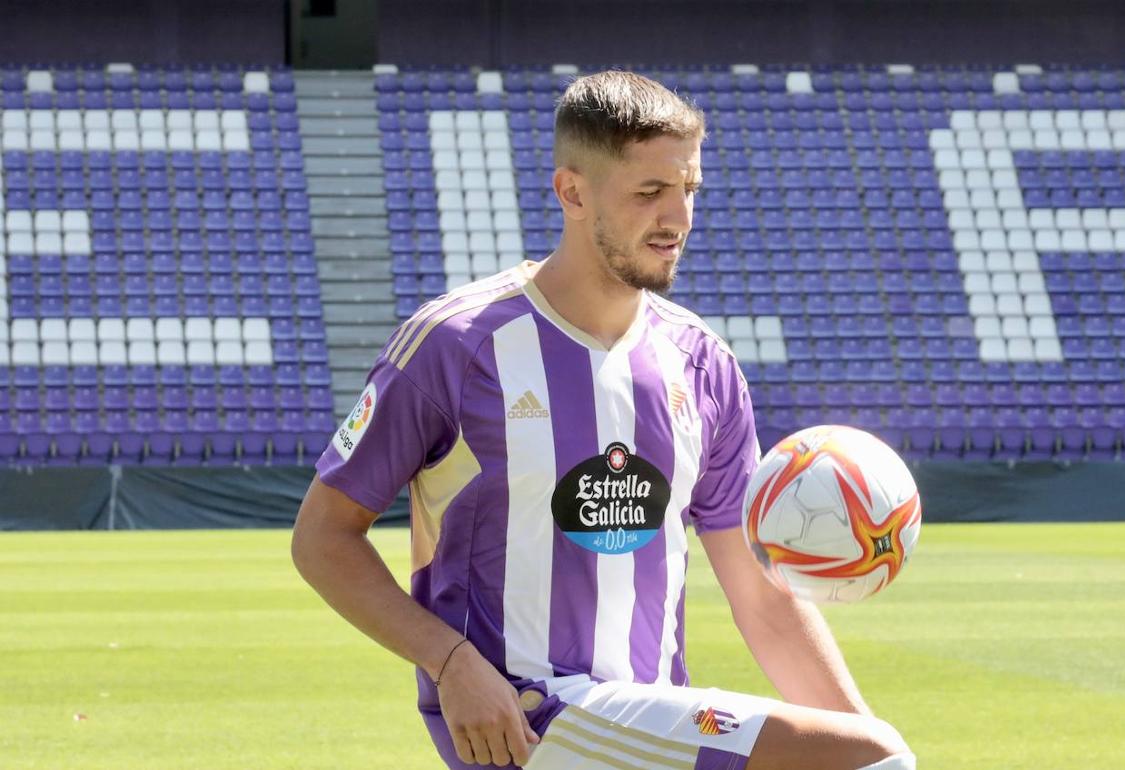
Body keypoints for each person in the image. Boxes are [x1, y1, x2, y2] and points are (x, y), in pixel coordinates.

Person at [291, 70, 914, 770]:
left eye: (688, 190)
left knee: (874, 754)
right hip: (526, 718)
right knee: (873, 758)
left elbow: (762, 600)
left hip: (642, 724)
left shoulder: (701, 365)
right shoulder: (457, 345)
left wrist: (863, 736)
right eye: (649, 192)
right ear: (573, 193)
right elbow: (322, 539)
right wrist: (451, 663)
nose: (677, 217)